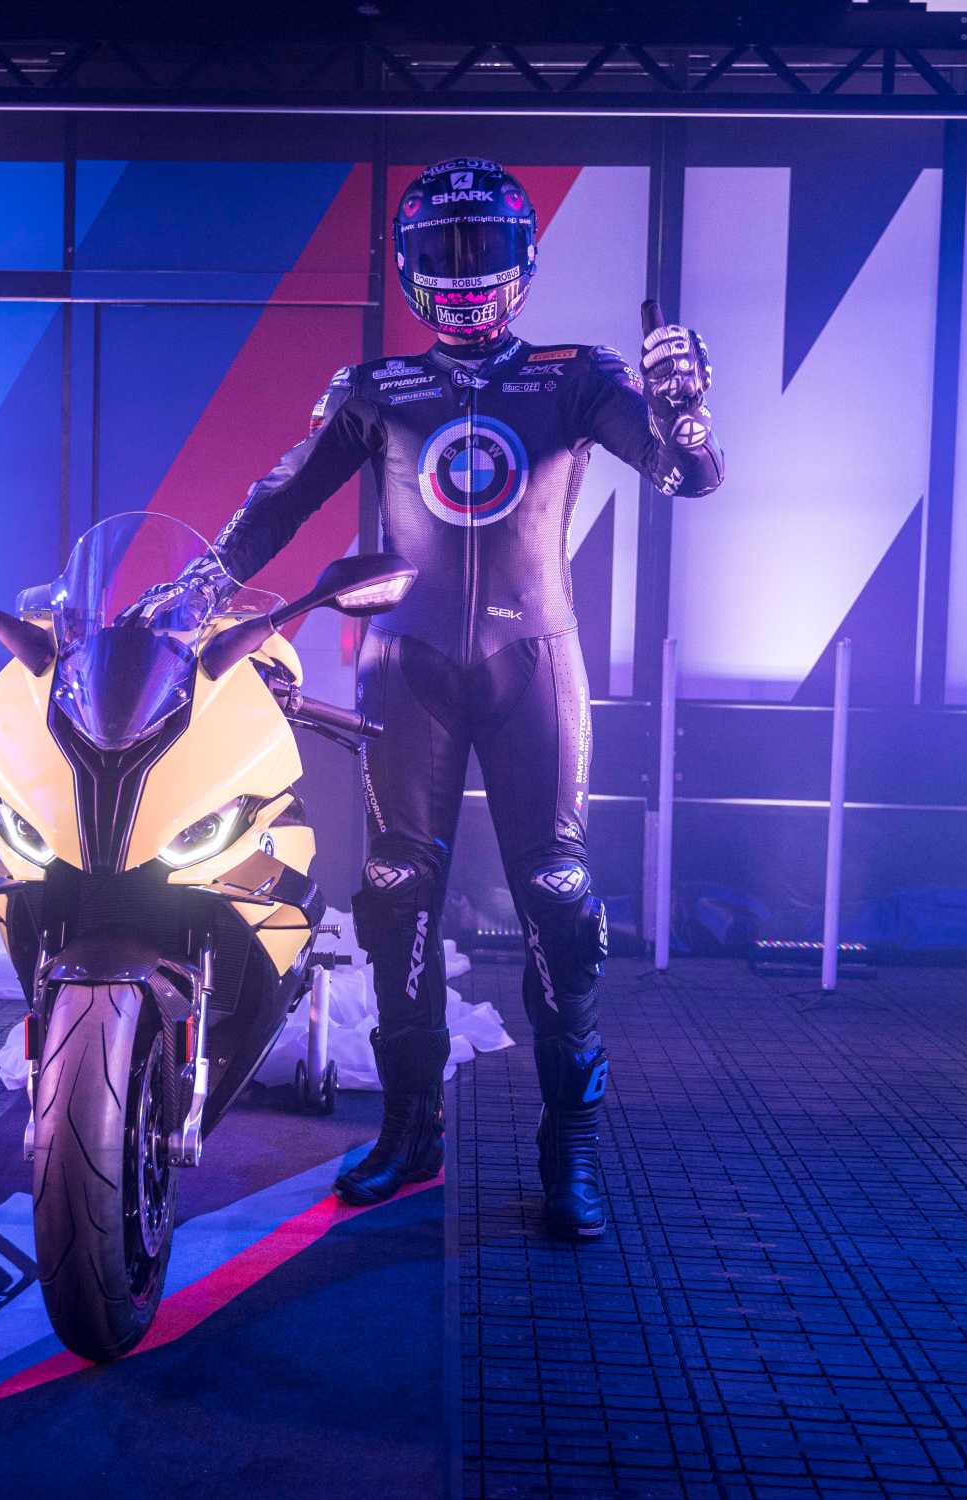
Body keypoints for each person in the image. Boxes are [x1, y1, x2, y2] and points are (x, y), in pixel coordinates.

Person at [190, 157, 724, 1239]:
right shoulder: (376, 388)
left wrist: (688, 415)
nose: (468, 272)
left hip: (532, 661)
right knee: (395, 901)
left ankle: (571, 1153)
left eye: (485, 250)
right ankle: (411, 1129)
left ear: (525, 262)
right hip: (409, 664)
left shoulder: (579, 376)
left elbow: (688, 478)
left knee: (560, 903)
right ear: (409, 266)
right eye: (446, 251)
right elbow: (279, 500)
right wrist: (199, 584)